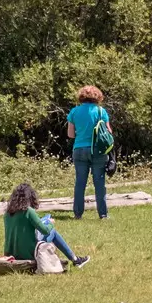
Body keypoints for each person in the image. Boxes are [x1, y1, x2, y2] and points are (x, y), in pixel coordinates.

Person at [1, 182, 88, 268]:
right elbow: (45, 231)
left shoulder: (7, 214)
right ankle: (75, 260)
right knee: (52, 231)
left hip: (11, 254)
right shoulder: (28, 211)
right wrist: (50, 223)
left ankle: (74, 259)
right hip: (29, 253)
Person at [66, 85, 110, 220]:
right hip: (97, 150)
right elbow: (108, 132)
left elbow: (71, 134)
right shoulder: (101, 111)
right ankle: (102, 214)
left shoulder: (74, 111)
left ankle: (78, 214)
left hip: (79, 150)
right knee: (99, 183)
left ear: (81, 97)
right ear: (97, 96)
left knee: (80, 183)